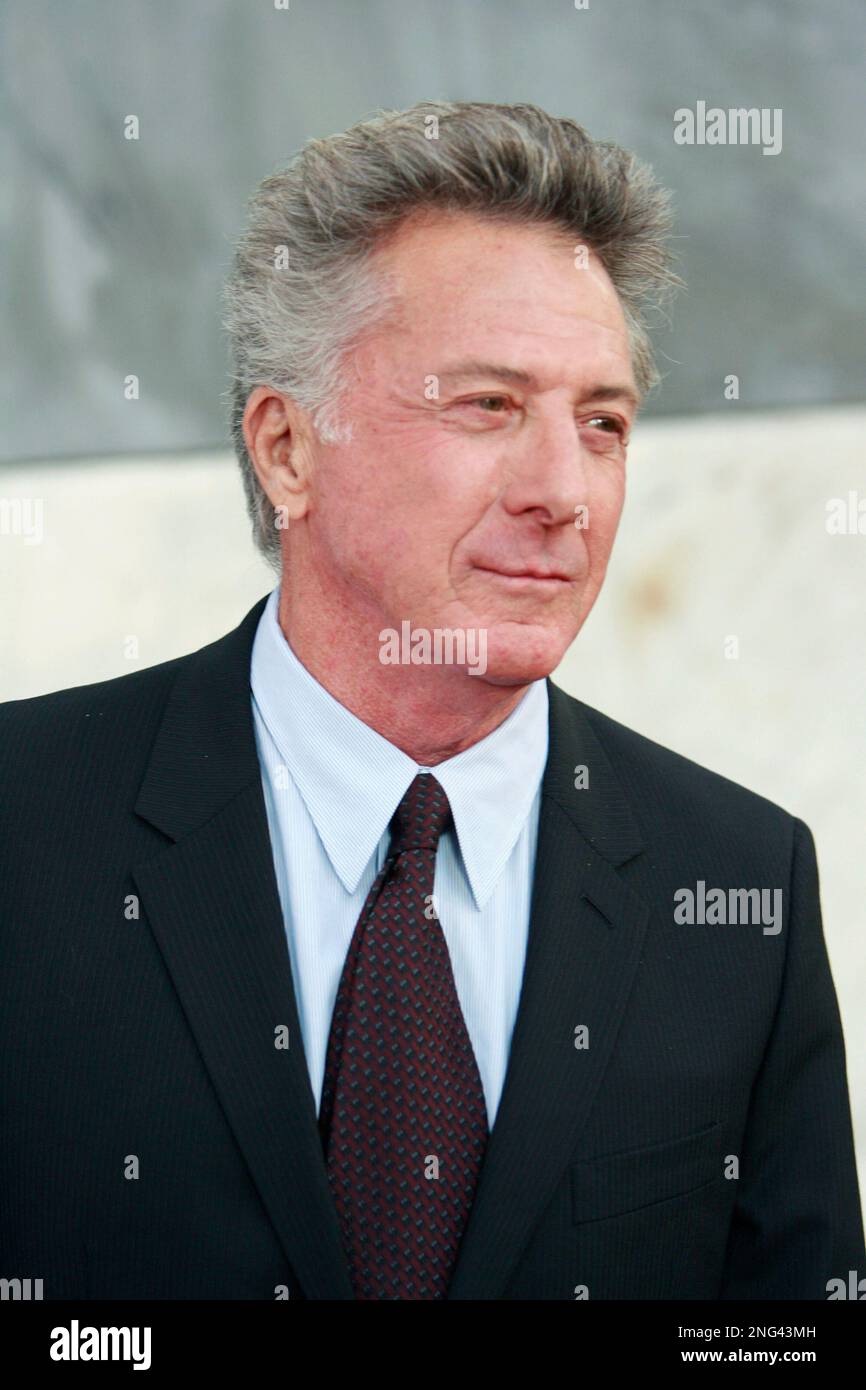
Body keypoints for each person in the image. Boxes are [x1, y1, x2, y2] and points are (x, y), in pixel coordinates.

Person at [1, 100, 862, 1300]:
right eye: (487, 406)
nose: (563, 491)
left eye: (602, 423)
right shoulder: (25, 826)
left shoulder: (737, 881)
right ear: (286, 449)